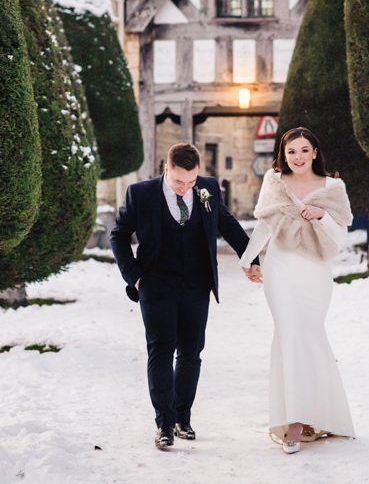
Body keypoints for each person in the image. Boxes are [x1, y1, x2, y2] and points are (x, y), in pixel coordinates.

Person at [111, 143, 258, 450]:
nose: (185, 188)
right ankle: (164, 424)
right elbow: (119, 234)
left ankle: (182, 418)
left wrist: (251, 258)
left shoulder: (208, 189)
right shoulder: (141, 194)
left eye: (191, 181)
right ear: (166, 169)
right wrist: (134, 276)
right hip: (155, 284)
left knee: (191, 353)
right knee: (161, 350)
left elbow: (227, 224)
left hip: (196, 284)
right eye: (179, 181)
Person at [239, 127, 356, 454]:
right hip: (281, 271)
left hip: (315, 273)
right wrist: (248, 259)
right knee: (288, 335)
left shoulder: (333, 187)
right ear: (283, 154)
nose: (298, 157)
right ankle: (292, 421)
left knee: (311, 336)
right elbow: (264, 225)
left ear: (315, 152)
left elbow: (340, 236)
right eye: (291, 151)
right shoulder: (274, 182)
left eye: (305, 150)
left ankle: (315, 414)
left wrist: (322, 215)